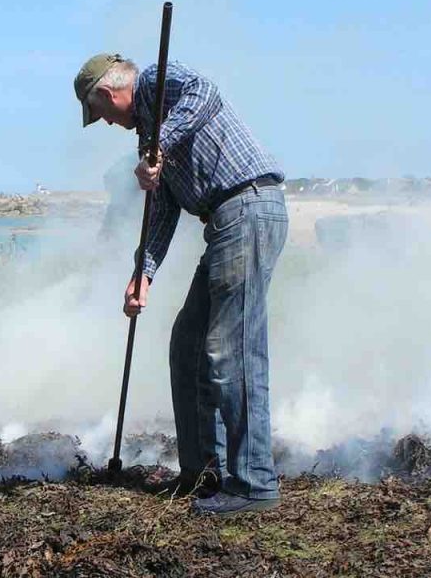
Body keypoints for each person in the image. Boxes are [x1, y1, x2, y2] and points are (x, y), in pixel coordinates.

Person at [74, 53, 289, 516]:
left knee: (231, 350)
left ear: (109, 95)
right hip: (225, 225)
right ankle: (202, 472)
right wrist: (143, 273)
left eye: (103, 114)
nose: (109, 124)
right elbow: (165, 211)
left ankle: (254, 483)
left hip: (248, 208)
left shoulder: (155, 82)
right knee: (187, 343)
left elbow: (205, 92)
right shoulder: (148, 145)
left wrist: (160, 144)